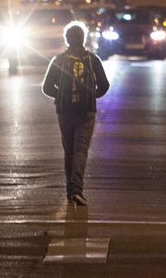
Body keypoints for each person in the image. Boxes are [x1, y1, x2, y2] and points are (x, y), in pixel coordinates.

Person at [42, 21, 110, 206]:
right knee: (80, 151)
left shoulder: (59, 60)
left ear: (67, 39)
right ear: (83, 39)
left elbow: (47, 87)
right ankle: (76, 190)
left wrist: (62, 95)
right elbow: (104, 85)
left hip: (64, 111)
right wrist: (91, 96)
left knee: (69, 151)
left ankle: (70, 190)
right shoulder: (92, 60)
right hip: (86, 112)